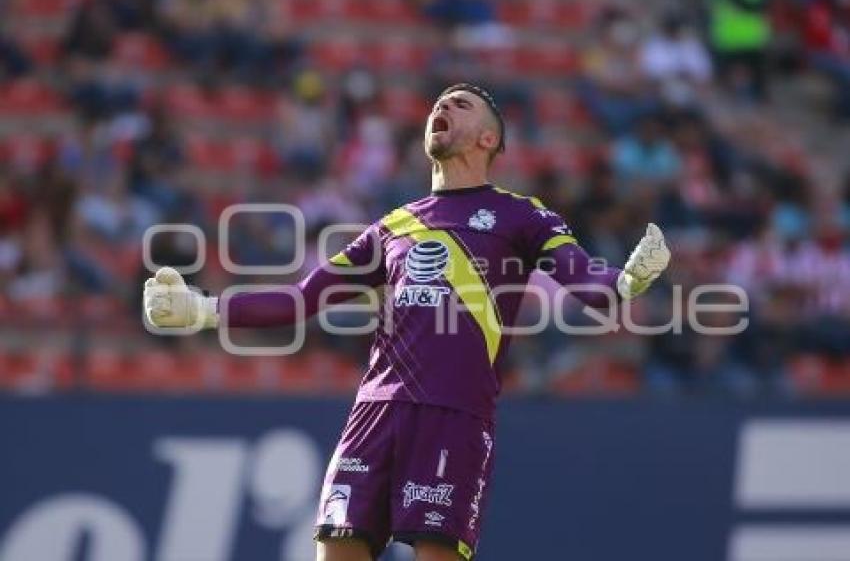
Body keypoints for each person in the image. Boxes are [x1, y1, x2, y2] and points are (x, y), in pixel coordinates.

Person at [143, 83, 671, 561]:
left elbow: (583, 280)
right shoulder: (395, 225)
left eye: (460, 104)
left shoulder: (521, 215)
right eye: (438, 103)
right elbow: (305, 298)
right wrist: (204, 309)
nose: (442, 107)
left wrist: (625, 283)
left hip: (454, 414)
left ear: (488, 139)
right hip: (375, 413)